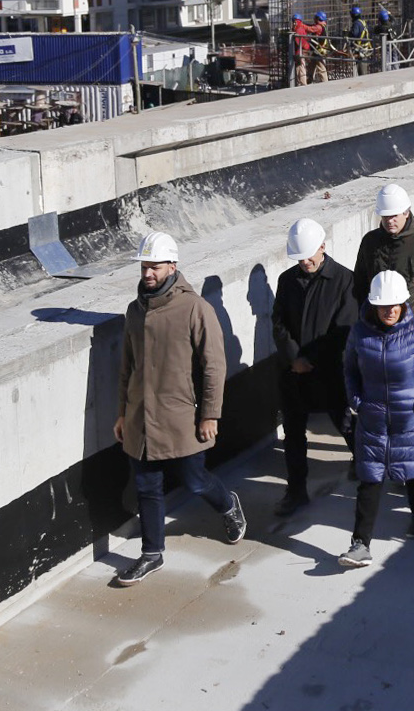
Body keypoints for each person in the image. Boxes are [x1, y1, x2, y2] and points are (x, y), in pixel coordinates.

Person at [112, 231, 246, 585]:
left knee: (195, 481)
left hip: (182, 417)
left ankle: (228, 504)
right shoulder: (134, 311)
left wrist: (210, 415)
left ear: (172, 266)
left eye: (154, 267)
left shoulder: (195, 309)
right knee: (146, 487)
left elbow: (215, 366)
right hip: (141, 418)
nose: (147, 274)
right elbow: (127, 366)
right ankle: (151, 553)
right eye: (144, 267)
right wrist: (123, 413)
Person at [339, 272, 414, 568]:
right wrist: (357, 401)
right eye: (384, 306)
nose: (390, 311)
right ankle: (360, 544)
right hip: (372, 421)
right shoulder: (359, 332)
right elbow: (349, 370)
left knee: (413, 470)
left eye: (395, 305)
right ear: (373, 306)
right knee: (369, 480)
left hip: (409, 418)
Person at [271, 218, 357, 517]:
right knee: (294, 434)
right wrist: (294, 357)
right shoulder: (287, 280)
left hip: (328, 371)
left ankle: (364, 463)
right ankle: (295, 491)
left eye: (309, 255)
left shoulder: (345, 280)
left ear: (323, 246)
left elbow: (343, 328)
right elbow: (279, 323)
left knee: (344, 421)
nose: (305, 262)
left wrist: (313, 360)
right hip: (294, 373)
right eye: (299, 257)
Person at [353, 183, 414, 313]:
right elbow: (360, 283)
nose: (389, 221)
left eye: (394, 215)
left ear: (406, 213)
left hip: (412, 323)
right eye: (385, 216)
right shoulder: (370, 242)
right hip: (376, 323)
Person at [345, 5, 371, 77]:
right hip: (364, 48)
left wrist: (348, 34)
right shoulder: (363, 22)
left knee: (361, 69)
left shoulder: (356, 23)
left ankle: (362, 83)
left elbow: (354, 34)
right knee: (363, 67)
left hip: (359, 49)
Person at [307, 11, 330, 83]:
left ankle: (326, 84)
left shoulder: (319, 27)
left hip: (318, 52)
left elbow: (310, 28)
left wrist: (301, 25)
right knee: (311, 68)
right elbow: (311, 26)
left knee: (321, 69)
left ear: (318, 19)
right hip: (316, 51)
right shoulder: (322, 26)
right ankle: (308, 82)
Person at [291, 13, 311, 86]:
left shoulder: (299, 29)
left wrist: (298, 54)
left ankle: (303, 84)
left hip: (301, 52)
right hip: (302, 51)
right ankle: (301, 83)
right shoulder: (299, 28)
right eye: (293, 21)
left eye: (295, 21)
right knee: (300, 68)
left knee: (301, 68)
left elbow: (300, 43)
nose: (294, 23)